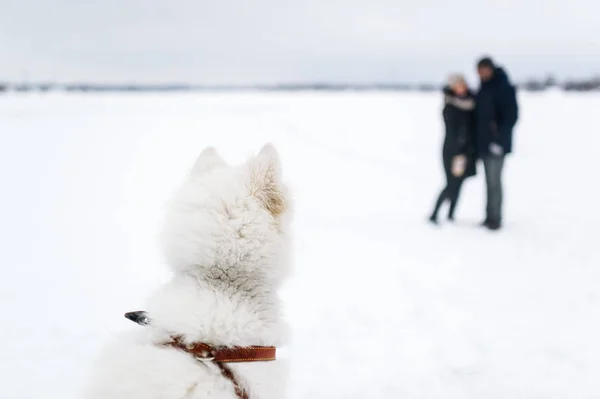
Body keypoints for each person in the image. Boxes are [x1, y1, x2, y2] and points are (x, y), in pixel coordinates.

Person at [475, 56, 519, 230]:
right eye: (479, 70)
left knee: (495, 182)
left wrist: (499, 141)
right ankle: (488, 216)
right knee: (488, 182)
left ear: (491, 69)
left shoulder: (503, 87)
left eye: (484, 69)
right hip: (484, 144)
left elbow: (511, 116)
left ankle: (496, 218)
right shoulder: (484, 88)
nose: (481, 73)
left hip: (497, 145)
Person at [429, 74, 477, 224]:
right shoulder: (450, 106)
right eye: (457, 85)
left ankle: (450, 215)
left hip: (466, 151)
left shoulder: (472, 104)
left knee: (459, 183)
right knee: (451, 184)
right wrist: (458, 150)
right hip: (453, 152)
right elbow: (454, 131)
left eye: (463, 85)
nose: (461, 88)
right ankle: (434, 214)